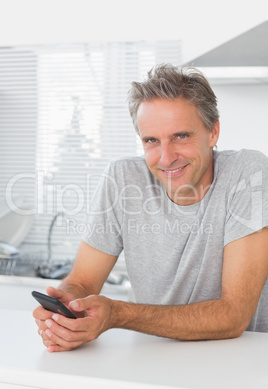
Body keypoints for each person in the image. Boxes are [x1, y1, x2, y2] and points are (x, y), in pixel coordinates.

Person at [33, 64, 268, 352]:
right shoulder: (123, 178)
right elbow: (82, 281)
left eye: (181, 136)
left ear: (213, 132)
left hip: (239, 362)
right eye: (152, 141)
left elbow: (233, 316)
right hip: (151, 358)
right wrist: (66, 310)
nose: (166, 158)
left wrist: (118, 314)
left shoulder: (248, 174)